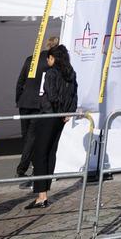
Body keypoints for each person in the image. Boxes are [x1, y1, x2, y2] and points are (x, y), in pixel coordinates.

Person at [23, 43, 79, 210]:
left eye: (49, 57)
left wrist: (59, 111)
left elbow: (51, 95)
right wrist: (68, 112)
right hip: (60, 117)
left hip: (49, 116)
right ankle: (44, 191)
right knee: (50, 152)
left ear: (53, 58)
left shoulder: (51, 73)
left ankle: (42, 196)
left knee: (40, 153)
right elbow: (74, 95)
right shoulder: (71, 74)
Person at [12, 37, 57, 178]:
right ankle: (23, 167)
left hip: (25, 102)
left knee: (26, 136)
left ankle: (29, 164)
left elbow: (20, 81)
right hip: (39, 103)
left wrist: (18, 99)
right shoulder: (50, 62)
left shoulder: (30, 59)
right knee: (32, 137)